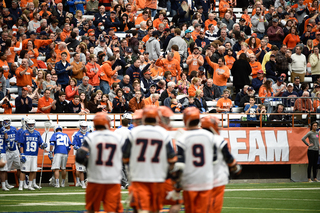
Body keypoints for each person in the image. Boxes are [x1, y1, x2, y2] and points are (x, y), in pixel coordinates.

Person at [122, 106, 176, 213]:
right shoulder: (163, 133)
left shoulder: (134, 132)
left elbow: (124, 156)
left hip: (139, 177)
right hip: (158, 178)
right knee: (154, 210)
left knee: (140, 209)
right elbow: (171, 159)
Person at [75, 112, 124, 213]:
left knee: (91, 210)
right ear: (108, 124)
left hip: (95, 179)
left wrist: (89, 164)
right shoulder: (117, 137)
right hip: (113, 180)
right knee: (113, 210)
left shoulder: (91, 137)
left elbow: (80, 156)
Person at [174, 108, 214, 212]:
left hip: (190, 181)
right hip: (206, 180)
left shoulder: (183, 138)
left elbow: (180, 165)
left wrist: (177, 187)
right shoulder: (209, 136)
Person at [200, 115, 241, 213]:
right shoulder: (218, 139)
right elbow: (229, 158)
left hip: (200, 179)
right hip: (217, 178)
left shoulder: (195, 139)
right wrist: (235, 167)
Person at [18, 119, 47, 190]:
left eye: (32, 124)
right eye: (30, 124)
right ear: (27, 124)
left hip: (34, 155)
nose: (31, 125)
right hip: (26, 154)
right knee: (23, 170)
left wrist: (43, 146)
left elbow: (40, 144)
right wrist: (22, 154)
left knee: (33, 170)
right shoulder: (24, 133)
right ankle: (21, 185)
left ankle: (30, 185)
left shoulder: (37, 133)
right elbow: (21, 144)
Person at [0, 118, 20, 190]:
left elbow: (16, 140)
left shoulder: (13, 129)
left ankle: (22, 182)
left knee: (19, 166)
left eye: (7, 121)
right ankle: (5, 183)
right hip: (6, 151)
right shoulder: (2, 130)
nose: (6, 122)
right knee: (5, 169)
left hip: (12, 150)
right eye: (5, 121)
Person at [73, 121, 89, 188]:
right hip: (81, 154)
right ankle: (82, 183)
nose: (84, 128)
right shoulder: (77, 135)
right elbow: (74, 144)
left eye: (85, 127)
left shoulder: (89, 134)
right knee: (81, 170)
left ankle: (88, 182)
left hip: (88, 154)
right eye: (83, 126)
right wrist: (77, 147)